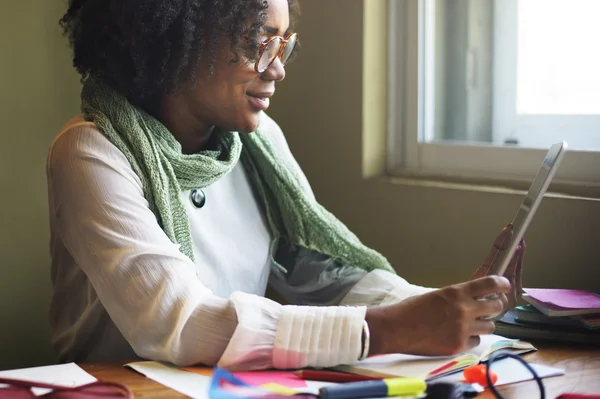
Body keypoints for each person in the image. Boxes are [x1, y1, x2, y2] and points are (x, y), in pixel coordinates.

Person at [46, 0, 525, 370]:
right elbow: (180, 322)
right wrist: (383, 330)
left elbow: (307, 272)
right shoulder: (90, 153)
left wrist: (447, 306)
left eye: (284, 44)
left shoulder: (258, 143)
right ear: (176, 41)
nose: (278, 68)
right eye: (260, 43)